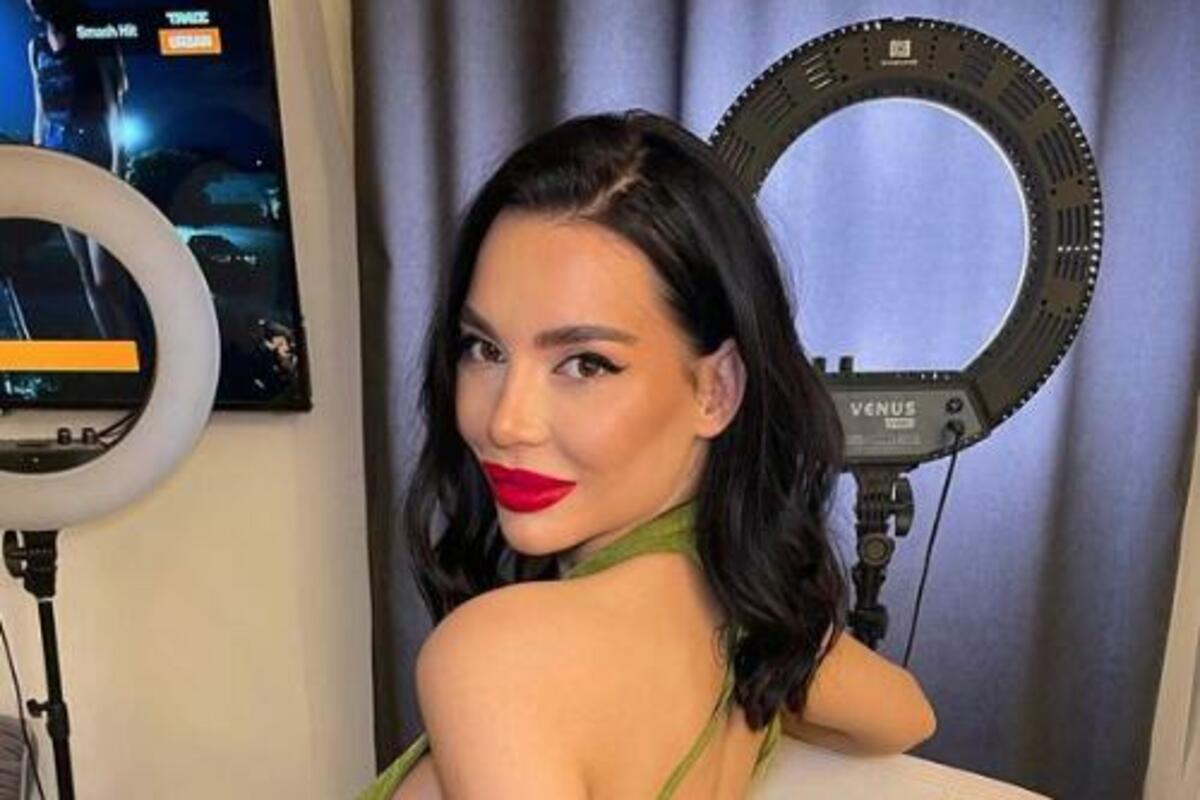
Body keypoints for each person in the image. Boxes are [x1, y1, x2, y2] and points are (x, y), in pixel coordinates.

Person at [361, 110, 936, 799]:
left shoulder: (497, 656)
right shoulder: (754, 621)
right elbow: (905, 715)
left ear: (716, 389)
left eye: (585, 364)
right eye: (485, 349)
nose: (506, 422)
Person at [27, 0, 140, 343]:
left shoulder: (94, 35)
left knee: (107, 277)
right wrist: (38, 161)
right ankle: (115, 354)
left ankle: (139, 353)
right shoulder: (36, 46)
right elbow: (40, 111)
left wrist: (118, 164)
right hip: (58, 161)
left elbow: (114, 106)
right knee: (87, 275)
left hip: (95, 158)